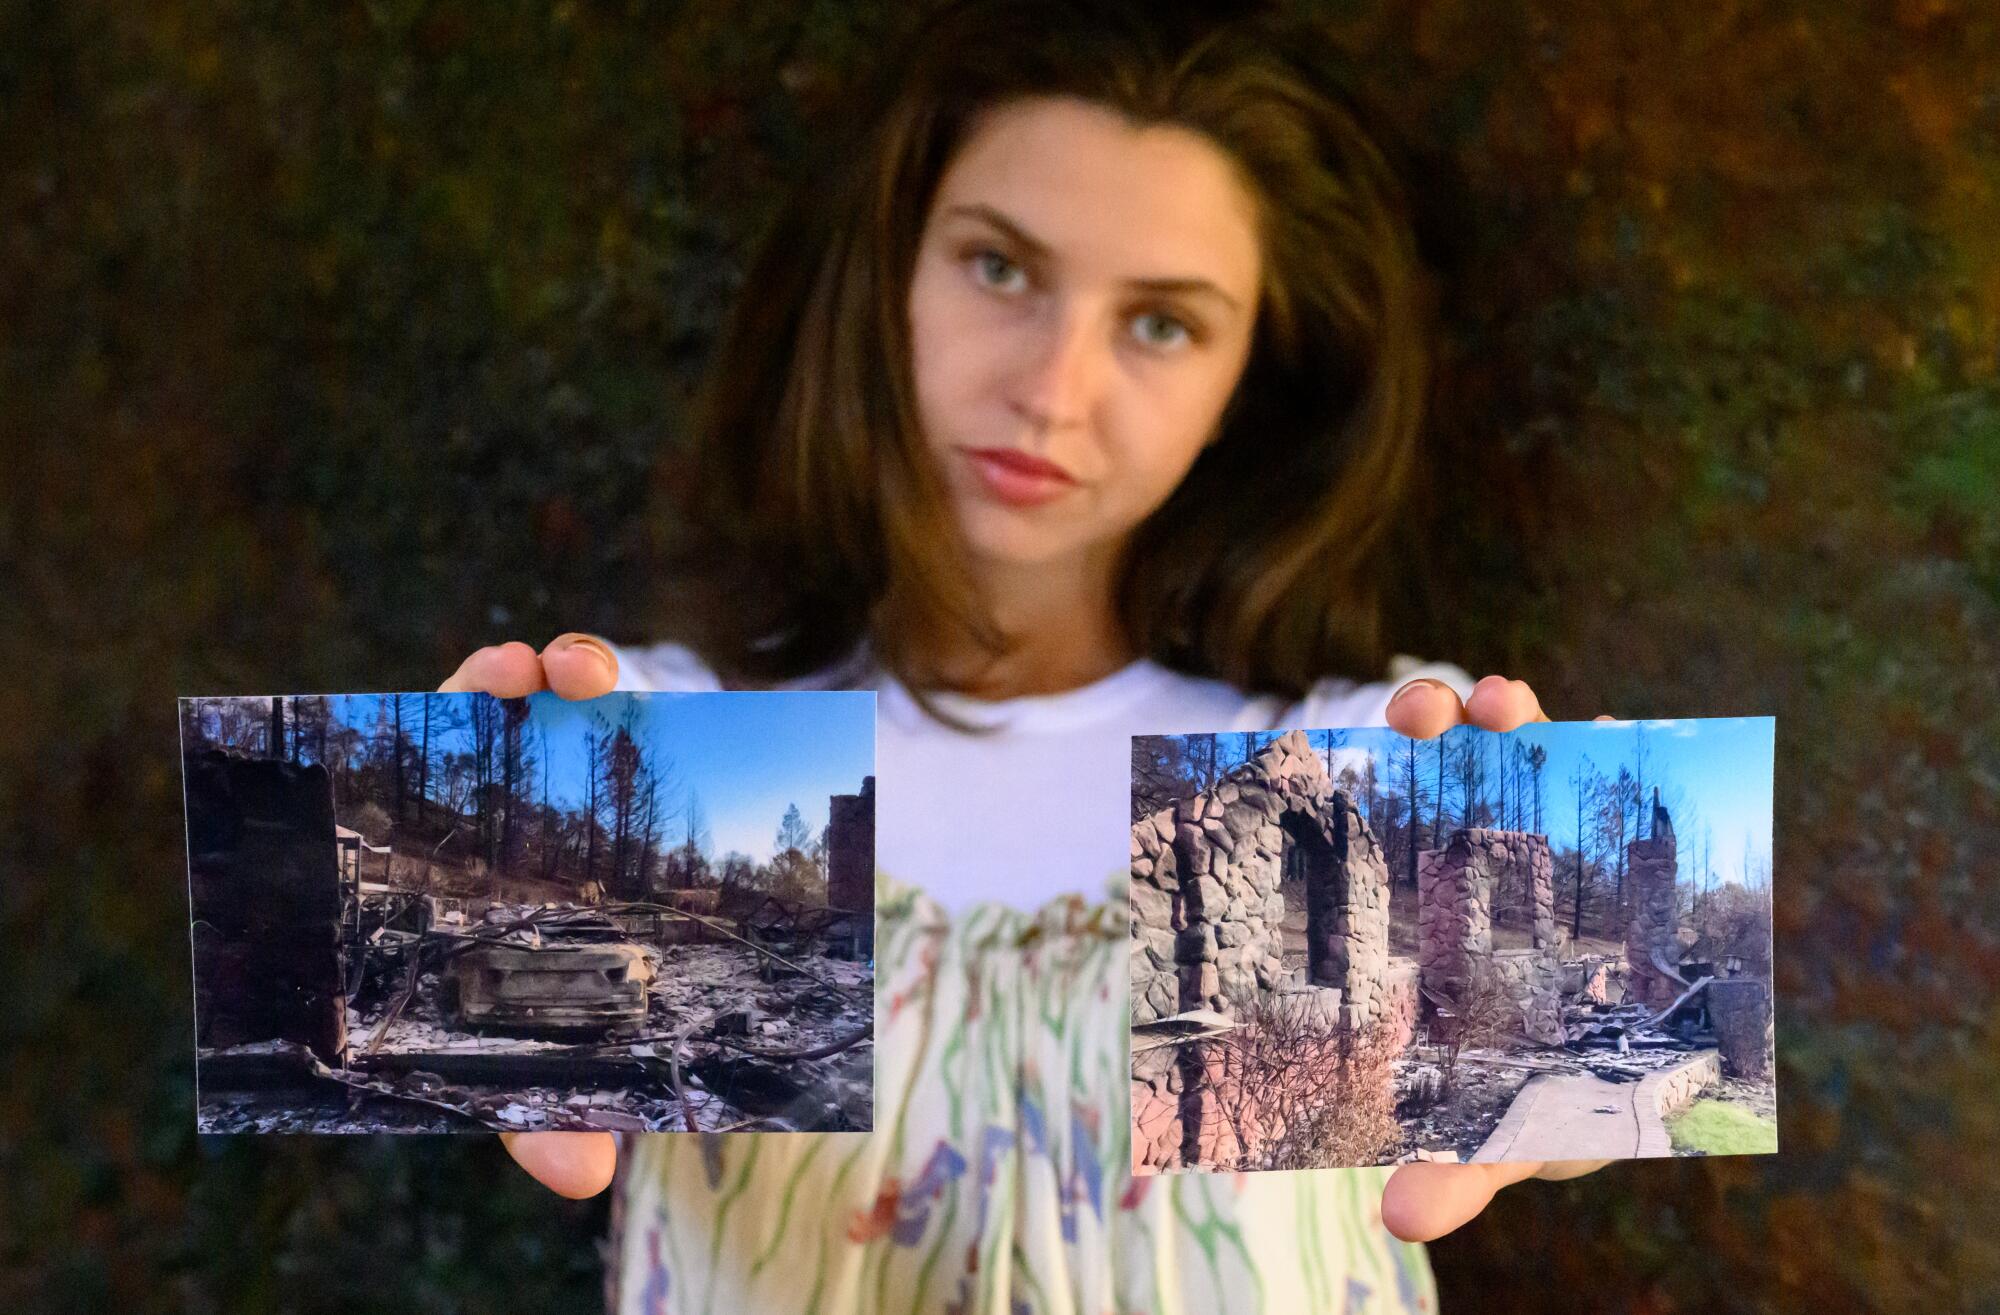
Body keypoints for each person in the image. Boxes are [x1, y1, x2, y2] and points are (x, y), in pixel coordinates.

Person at [442, 1, 1607, 1308]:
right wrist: (454, 870)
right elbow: (433, 986)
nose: (1052, 388)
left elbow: (1562, 1044)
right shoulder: (667, 750)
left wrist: (1551, 1048)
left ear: (1252, 381)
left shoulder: (1351, 764)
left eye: (1162, 323)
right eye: (1000, 267)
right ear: (889, 275)